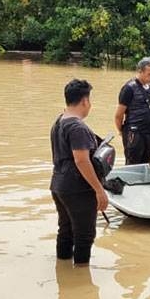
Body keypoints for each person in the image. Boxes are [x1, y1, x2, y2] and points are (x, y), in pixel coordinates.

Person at [49, 79, 108, 266]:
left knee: (66, 230)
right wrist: (99, 190)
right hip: (78, 188)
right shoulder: (77, 127)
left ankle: (64, 270)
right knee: (84, 235)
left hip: (59, 185)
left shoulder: (59, 121)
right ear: (84, 101)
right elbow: (81, 160)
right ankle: (81, 274)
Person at [114, 57, 150, 165]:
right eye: (149, 74)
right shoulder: (129, 88)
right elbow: (118, 115)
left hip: (148, 132)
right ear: (140, 71)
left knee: (147, 163)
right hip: (134, 133)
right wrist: (121, 131)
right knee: (132, 163)